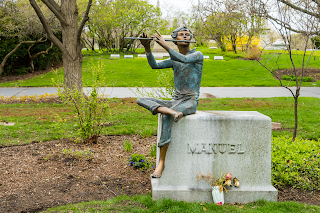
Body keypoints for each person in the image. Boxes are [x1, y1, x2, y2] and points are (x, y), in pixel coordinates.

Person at [137, 26, 203, 178]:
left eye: (188, 35)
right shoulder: (174, 59)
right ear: (175, 39)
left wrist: (165, 46)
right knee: (141, 99)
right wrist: (147, 49)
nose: (186, 36)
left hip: (190, 102)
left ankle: (161, 164)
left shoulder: (197, 55)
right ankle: (170, 111)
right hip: (176, 102)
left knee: (166, 117)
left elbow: (184, 59)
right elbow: (154, 65)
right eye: (181, 35)